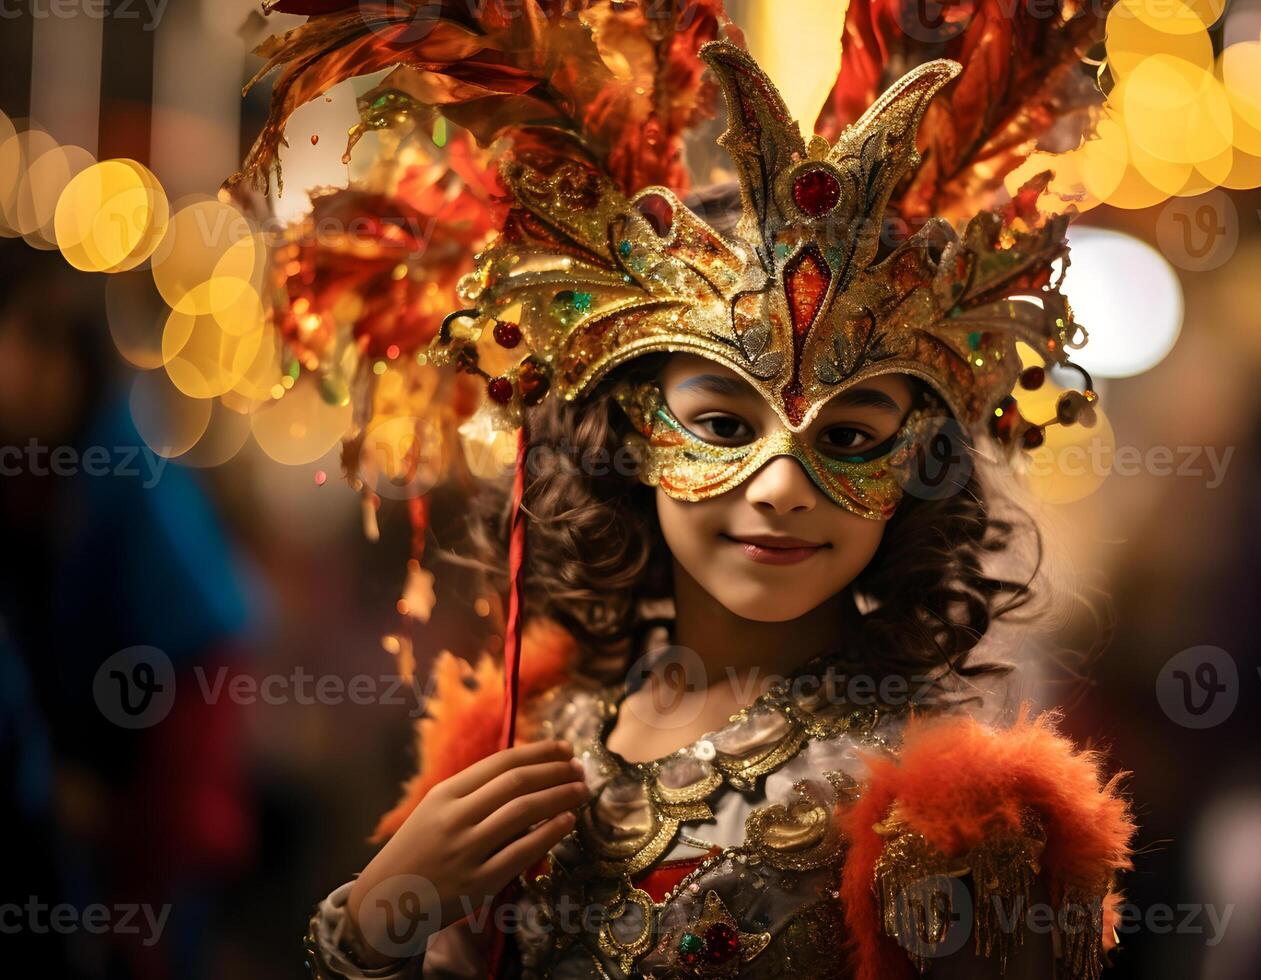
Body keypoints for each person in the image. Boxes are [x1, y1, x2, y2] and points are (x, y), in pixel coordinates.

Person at [234, 3, 1137, 977]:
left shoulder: (944, 814)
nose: (783, 484)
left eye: (846, 437)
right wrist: (371, 922)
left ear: (917, 467)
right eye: (721, 425)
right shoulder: (524, 738)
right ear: (628, 434)